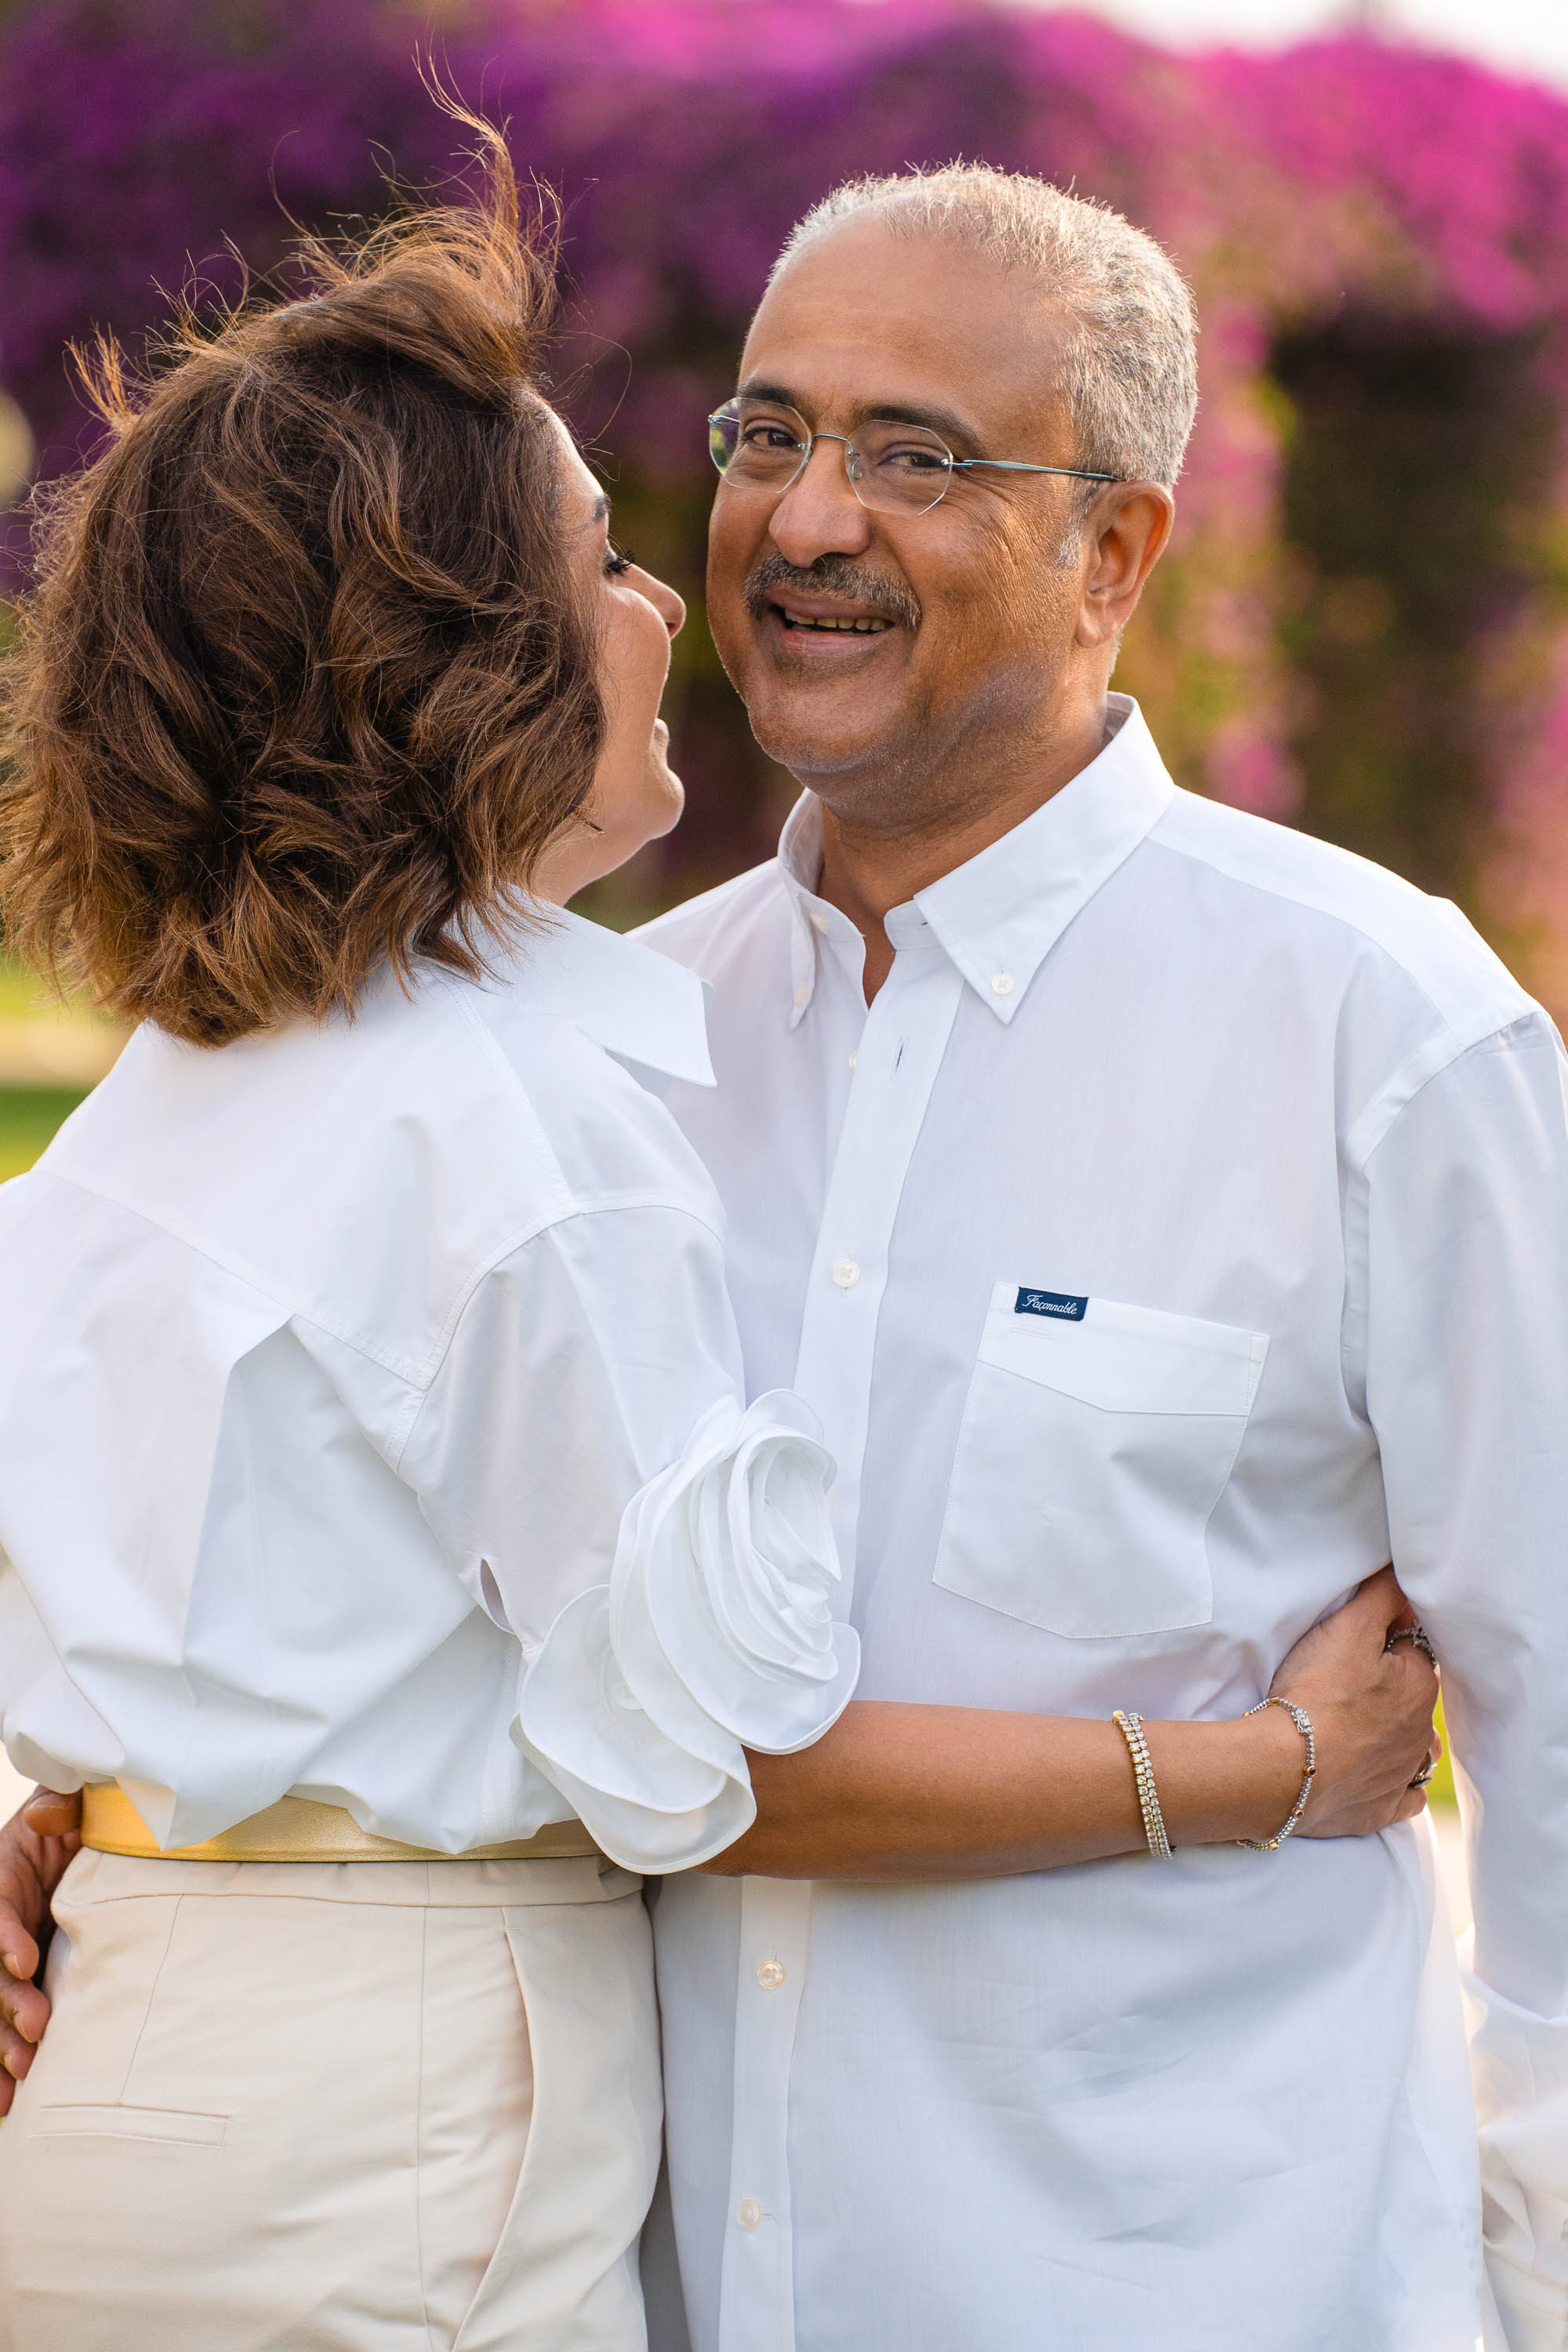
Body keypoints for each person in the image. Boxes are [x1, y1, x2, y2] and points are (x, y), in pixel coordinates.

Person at [0, 140, 1442, 2352]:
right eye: (642, 533)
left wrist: (110, 1822)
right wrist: (1259, 1768)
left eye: (914, 454)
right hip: (401, 2162)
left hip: (1140, 2264)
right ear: (449, 674)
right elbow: (703, 1757)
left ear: (1113, 553)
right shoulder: (561, 1105)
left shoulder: (168, 1102)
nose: (711, 570)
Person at [615, 169, 1565, 2352]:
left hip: (1208, 2290)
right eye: (768, 435)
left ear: (1117, 553)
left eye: (913, 457)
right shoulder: (620, 1057)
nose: (810, 517)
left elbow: (1556, 1724)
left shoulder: (1377, 1032)